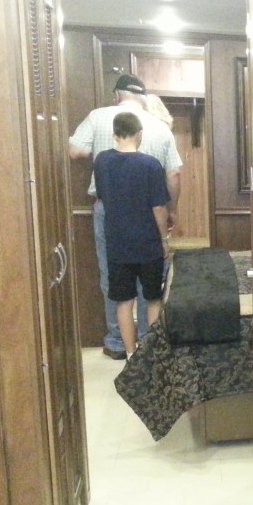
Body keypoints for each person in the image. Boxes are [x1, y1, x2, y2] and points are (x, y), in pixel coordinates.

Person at [69, 74, 182, 360]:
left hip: (111, 214)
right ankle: (148, 344)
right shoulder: (160, 128)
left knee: (114, 282)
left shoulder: (98, 123)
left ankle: (120, 344)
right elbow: (174, 173)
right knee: (151, 289)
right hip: (148, 217)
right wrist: (172, 213)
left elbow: (75, 150)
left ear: (117, 95)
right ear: (143, 97)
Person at [92, 111, 171, 359]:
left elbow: (103, 198)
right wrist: (164, 239)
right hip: (148, 243)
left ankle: (130, 354)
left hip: (117, 244)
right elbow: (158, 208)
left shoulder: (102, 161)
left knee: (124, 302)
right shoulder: (150, 165)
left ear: (115, 135)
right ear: (139, 134)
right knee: (153, 299)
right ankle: (152, 354)